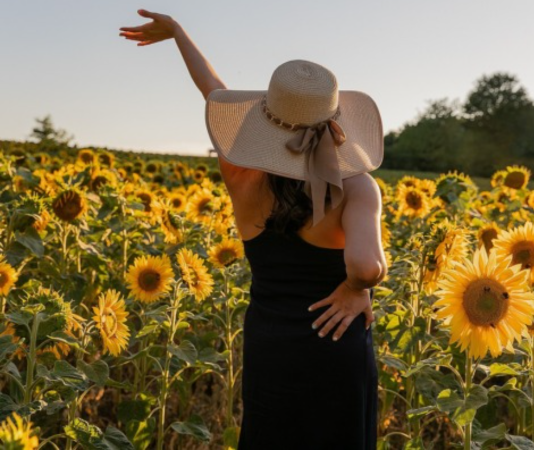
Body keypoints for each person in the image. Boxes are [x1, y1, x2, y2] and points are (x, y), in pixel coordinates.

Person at [120, 9, 388, 449]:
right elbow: (364, 264)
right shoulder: (358, 186)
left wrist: (179, 34)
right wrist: (357, 288)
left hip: (271, 343)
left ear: (266, 117)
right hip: (335, 342)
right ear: (336, 118)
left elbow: (215, 93)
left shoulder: (240, 171)